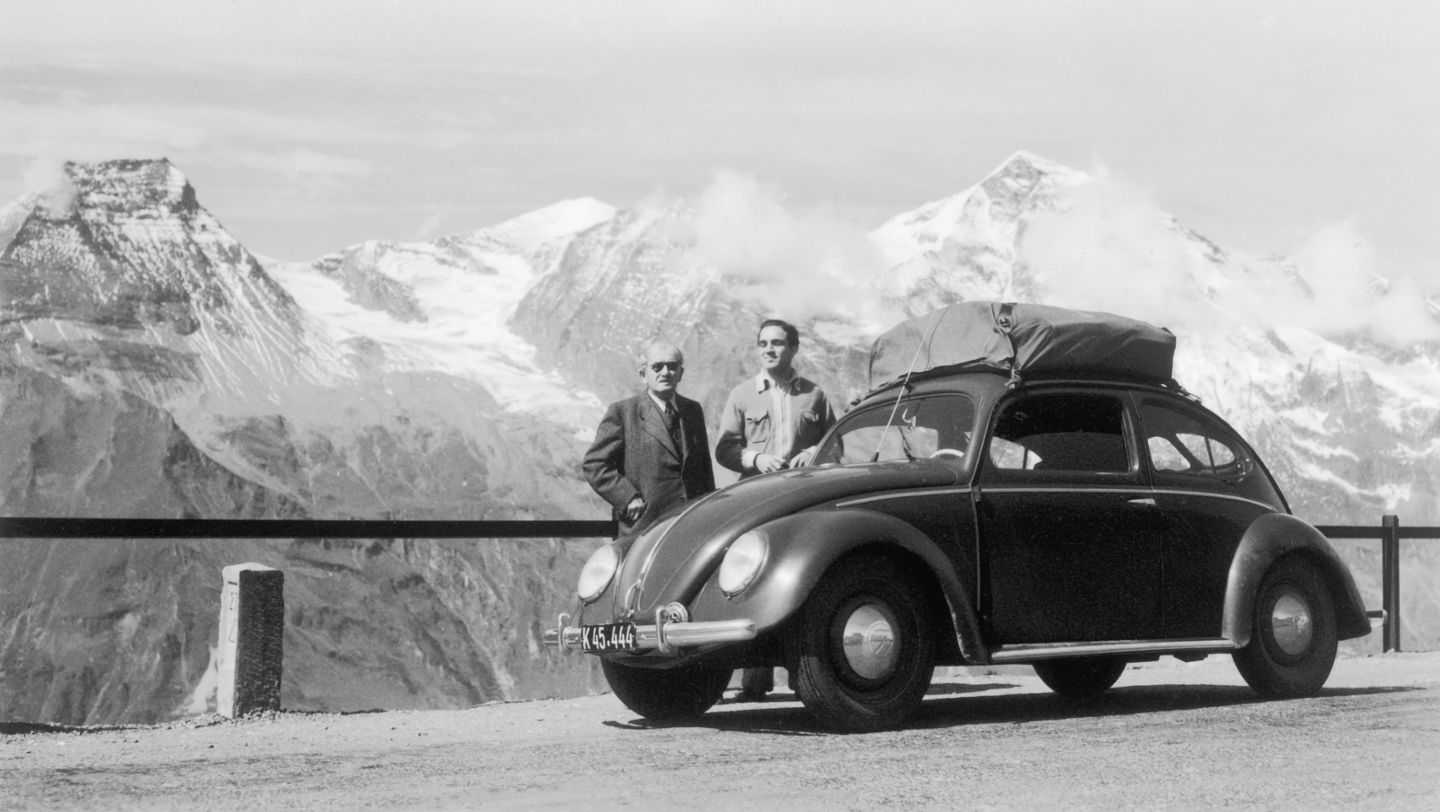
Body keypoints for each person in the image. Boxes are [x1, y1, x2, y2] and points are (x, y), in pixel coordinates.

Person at [716, 318, 837, 700]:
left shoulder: (814, 396)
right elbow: (725, 448)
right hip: (756, 498)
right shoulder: (742, 395)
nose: (769, 349)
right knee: (753, 577)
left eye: (778, 343)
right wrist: (755, 458)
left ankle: (807, 674)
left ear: (794, 348)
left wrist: (810, 453)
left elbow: (834, 445)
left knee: (797, 575)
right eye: (763, 343)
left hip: (801, 500)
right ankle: (754, 678)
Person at [583, 342, 715, 540]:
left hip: (690, 526)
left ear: (681, 373)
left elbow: (704, 469)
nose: (666, 372)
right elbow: (594, 464)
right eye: (657, 367)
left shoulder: (693, 411)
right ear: (643, 374)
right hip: (643, 528)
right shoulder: (624, 412)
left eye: (672, 366)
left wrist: (708, 511)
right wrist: (627, 497)